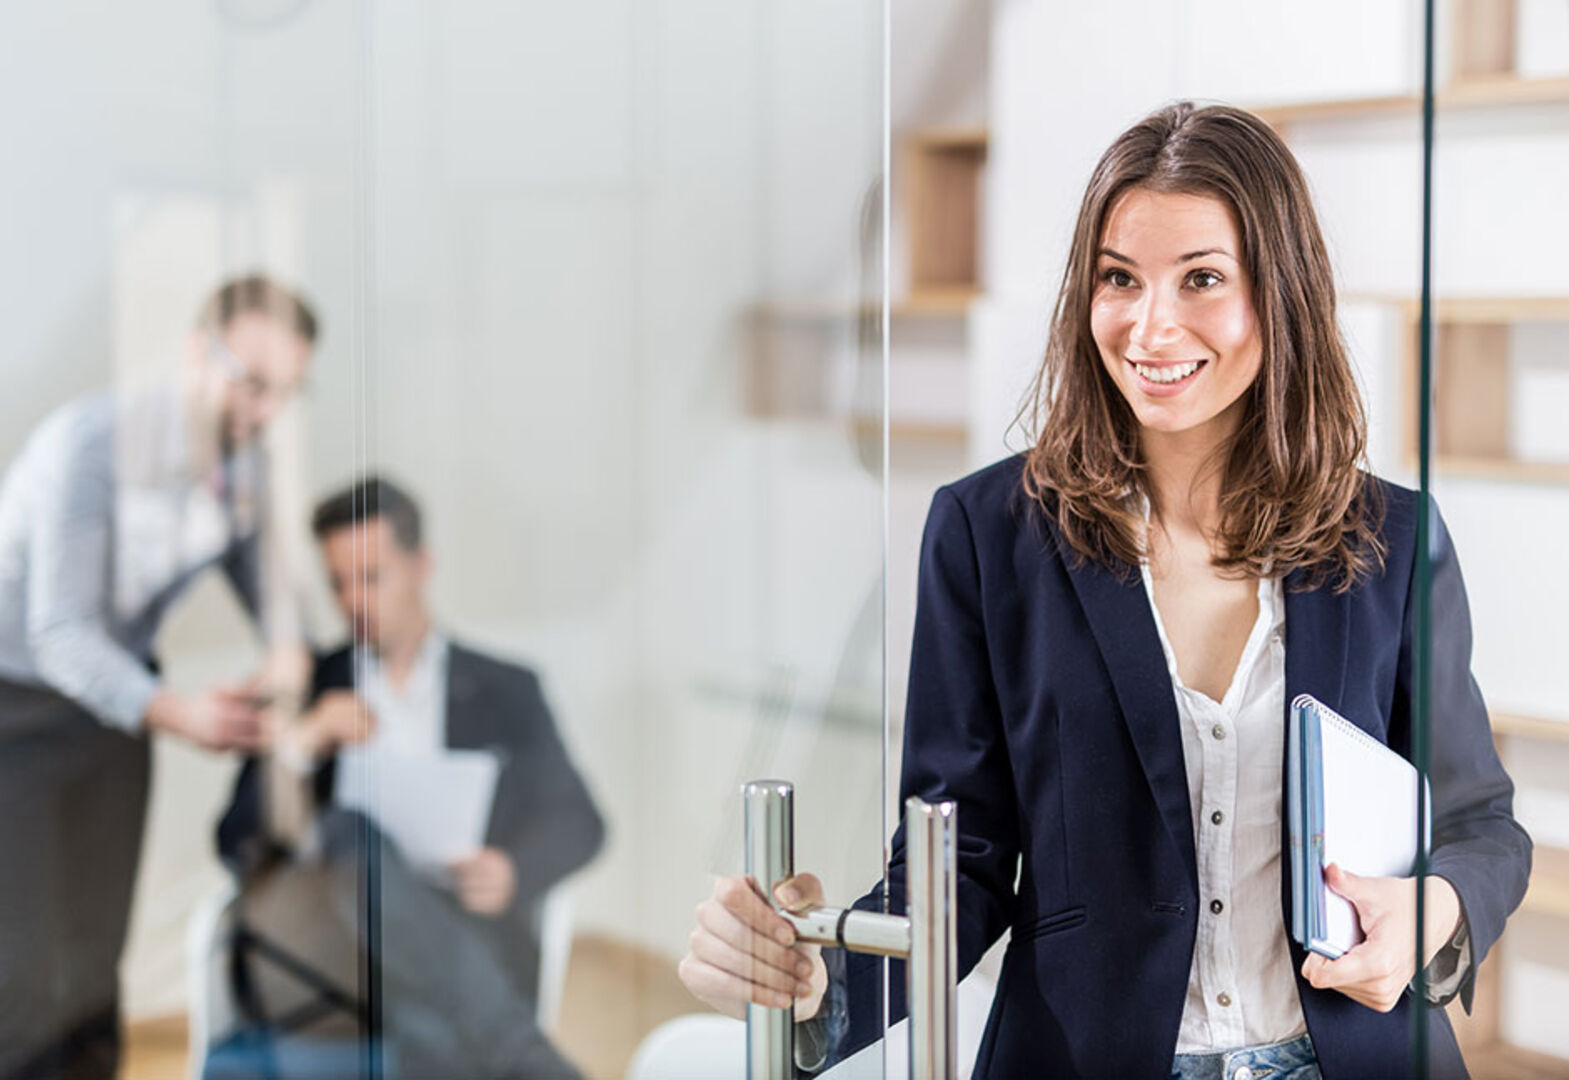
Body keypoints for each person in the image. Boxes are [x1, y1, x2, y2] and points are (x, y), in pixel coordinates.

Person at [677, 103, 1532, 1078]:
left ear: (1281, 296)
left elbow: (1477, 822)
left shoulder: (1394, 538)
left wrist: (1436, 908)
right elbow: (959, 858)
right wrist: (817, 982)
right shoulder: (988, 535)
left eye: (1202, 279)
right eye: (1119, 279)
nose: (1150, 324)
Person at [0, 275, 317, 1080]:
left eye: (285, 392)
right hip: (15, 705)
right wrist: (182, 714)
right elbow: (60, 631)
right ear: (194, 353)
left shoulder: (245, 469)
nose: (264, 411)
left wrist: (285, 661)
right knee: (24, 962)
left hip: (115, 715)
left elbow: (276, 605)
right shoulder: (92, 445)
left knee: (98, 947)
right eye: (251, 383)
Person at [215, 476, 604, 1080]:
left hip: (459, 939)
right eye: (339, 583)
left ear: (421, 565)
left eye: (371, 577)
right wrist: (302, 745)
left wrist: (513, 872)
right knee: (347, 831)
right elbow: (234, 840)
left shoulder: (505, 689)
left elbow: (581, 821)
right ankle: (522, 1055)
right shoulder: (311, 687)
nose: (353, 601)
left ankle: (499, 1041)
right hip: (333, 951)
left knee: (426, 1036)